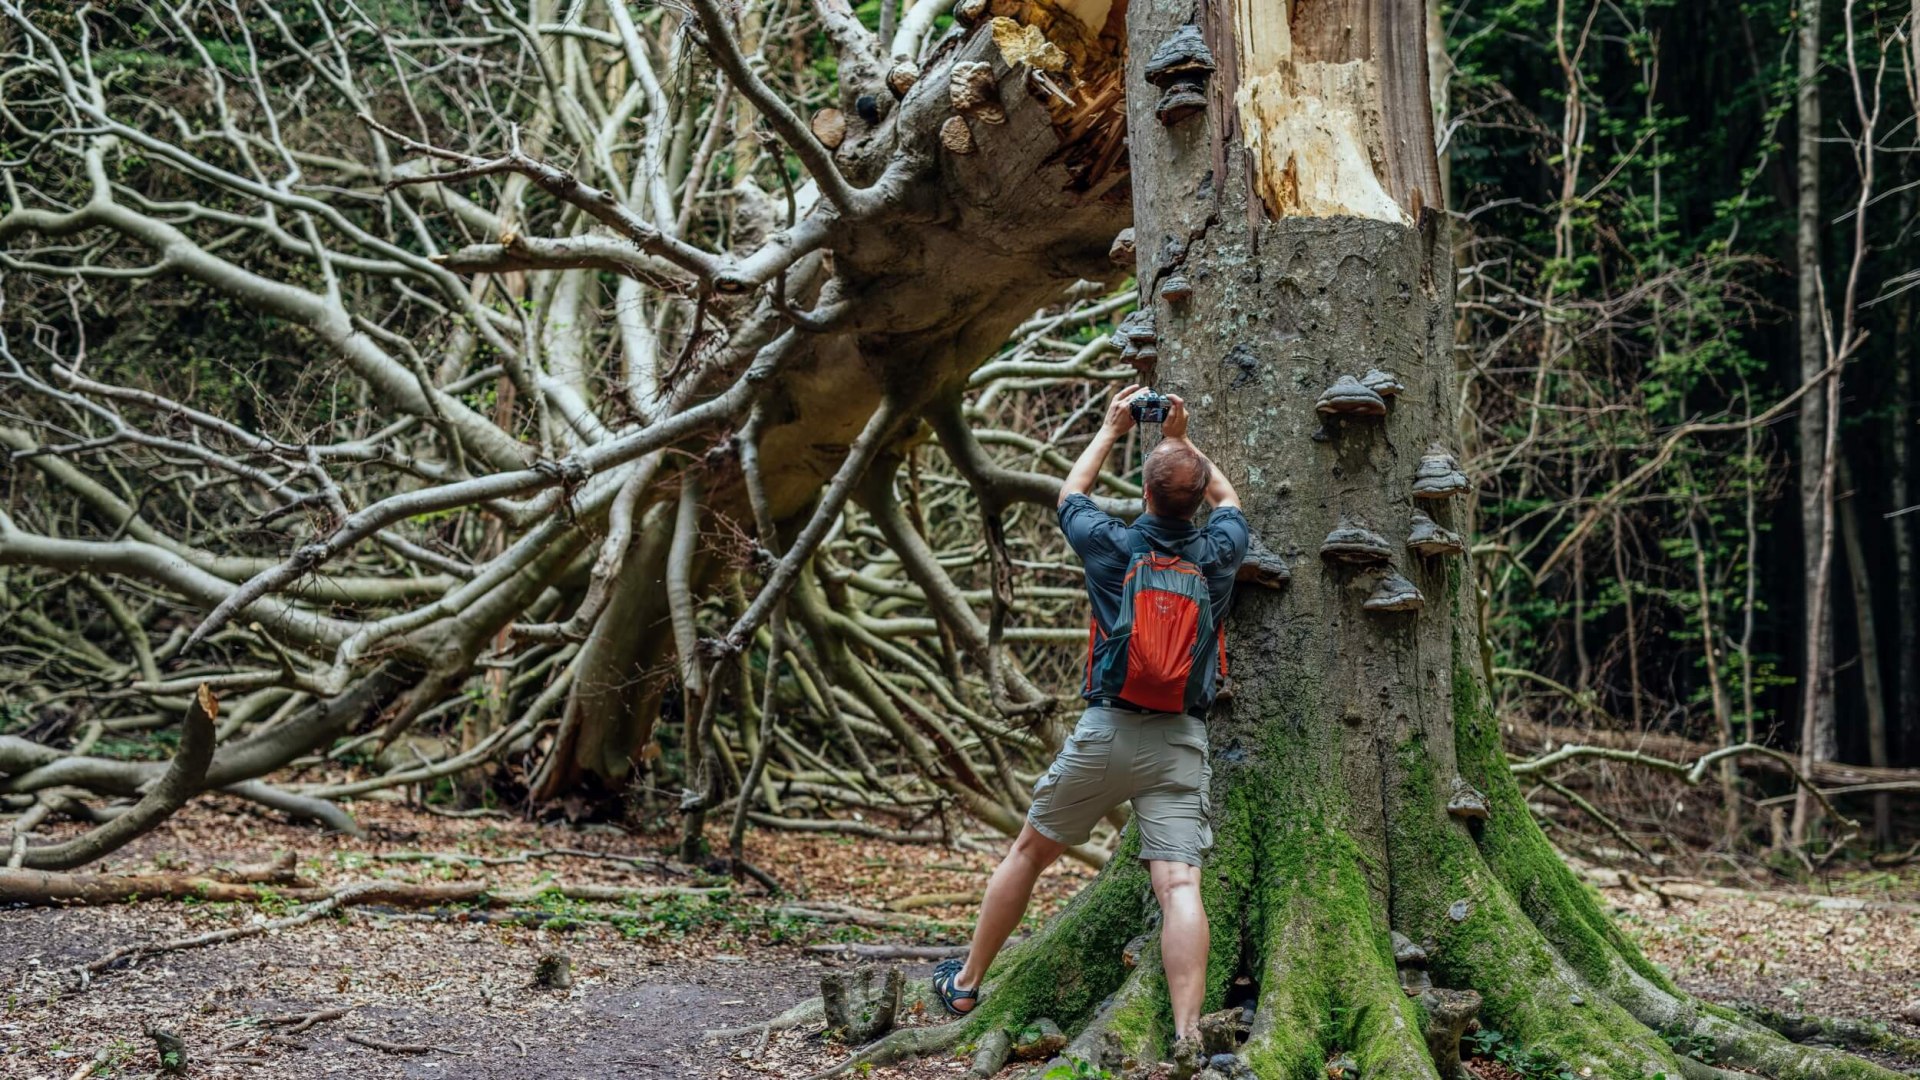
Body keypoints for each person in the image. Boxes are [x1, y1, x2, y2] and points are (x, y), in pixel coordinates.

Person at [932, 383, 1248, 1058]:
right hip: (1180, 740)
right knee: (1180, 884)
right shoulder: (1218, 552)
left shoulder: (1111, 545)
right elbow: (1230, 501)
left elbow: (1069, 496)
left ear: (1146, 493)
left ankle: (965, 984)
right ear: (1192, 499)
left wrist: (1112, 428)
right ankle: (1190, 1033)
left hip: (1105, 732)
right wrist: (1184, 441)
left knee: (1030, 852)